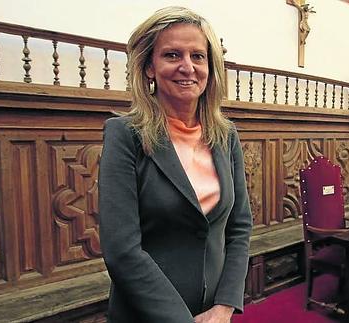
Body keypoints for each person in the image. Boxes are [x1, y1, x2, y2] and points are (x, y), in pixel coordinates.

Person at [99, 7, 252, 323]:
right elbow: (122, 250)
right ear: (150, 67)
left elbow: (239, 227)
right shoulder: (125, 135)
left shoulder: (226, 135)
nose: (188, 67)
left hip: (213, 312)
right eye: (172, 55)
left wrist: (225, 306)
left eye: (198, 56)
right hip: (147, 314)